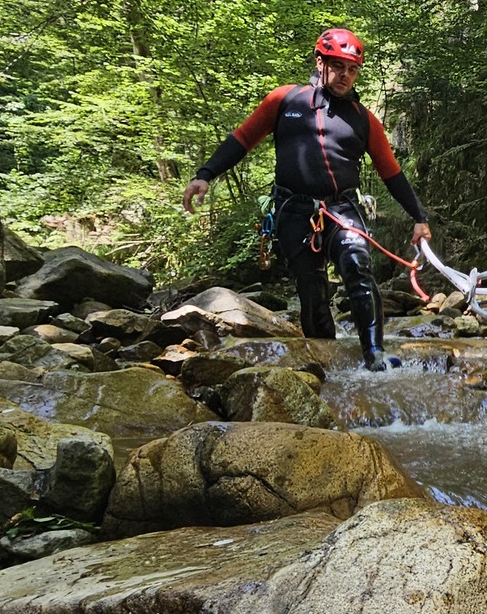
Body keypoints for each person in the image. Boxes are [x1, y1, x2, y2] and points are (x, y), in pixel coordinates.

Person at [183, 27, 432, 371]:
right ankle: (328, 365)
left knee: (357, 265)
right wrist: (205, 174)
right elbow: (242, 140)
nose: (345, 75)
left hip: (342, 209)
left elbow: (391, 173)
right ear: (320, 62)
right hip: (294, 211)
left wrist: (419, 217)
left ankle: (374, 354)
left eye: (352, 69)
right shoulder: (284, 100)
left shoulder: (363, 119)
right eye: (338, 66)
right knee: (312, 292)